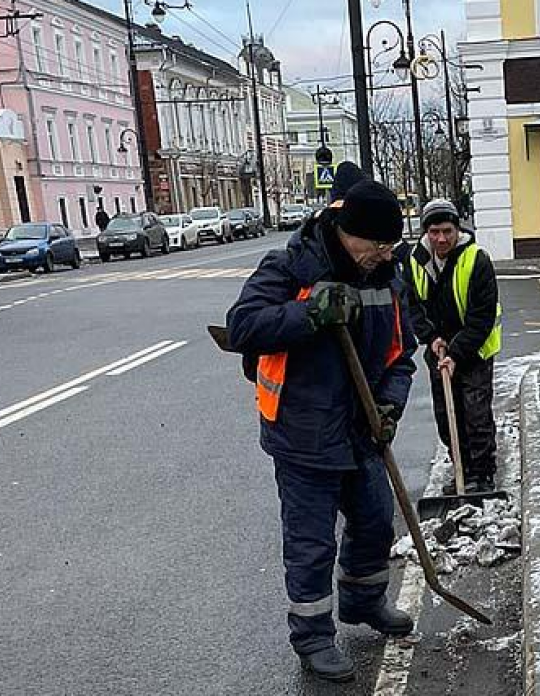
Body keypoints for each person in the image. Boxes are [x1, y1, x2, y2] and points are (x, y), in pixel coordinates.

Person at [225, 180, 417, 683]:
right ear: (348, 234)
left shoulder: (386, 277)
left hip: (361, 430)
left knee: (376, 521)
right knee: (311, 543)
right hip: (303, 432)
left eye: (389, 247)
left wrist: (388, 406)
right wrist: (310, 313)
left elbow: (401, 356)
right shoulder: (292, 266)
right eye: (375, 246)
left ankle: (363, 600)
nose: (381, 255)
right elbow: (243, 327)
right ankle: (312, 638)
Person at [403, 199, 502, 494]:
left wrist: (457, 353)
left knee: (475, 414)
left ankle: (482, 474)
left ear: (457, 229)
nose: (441, 239)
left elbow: (482, 317)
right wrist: (431, 338)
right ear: (426, 232)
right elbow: (412, 308)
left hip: (474, 349)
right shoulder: (416, 261)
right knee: (447, 415)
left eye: (447, 231)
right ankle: (461, 467)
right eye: (434, 232)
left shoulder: (476, 260)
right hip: (438, 349)